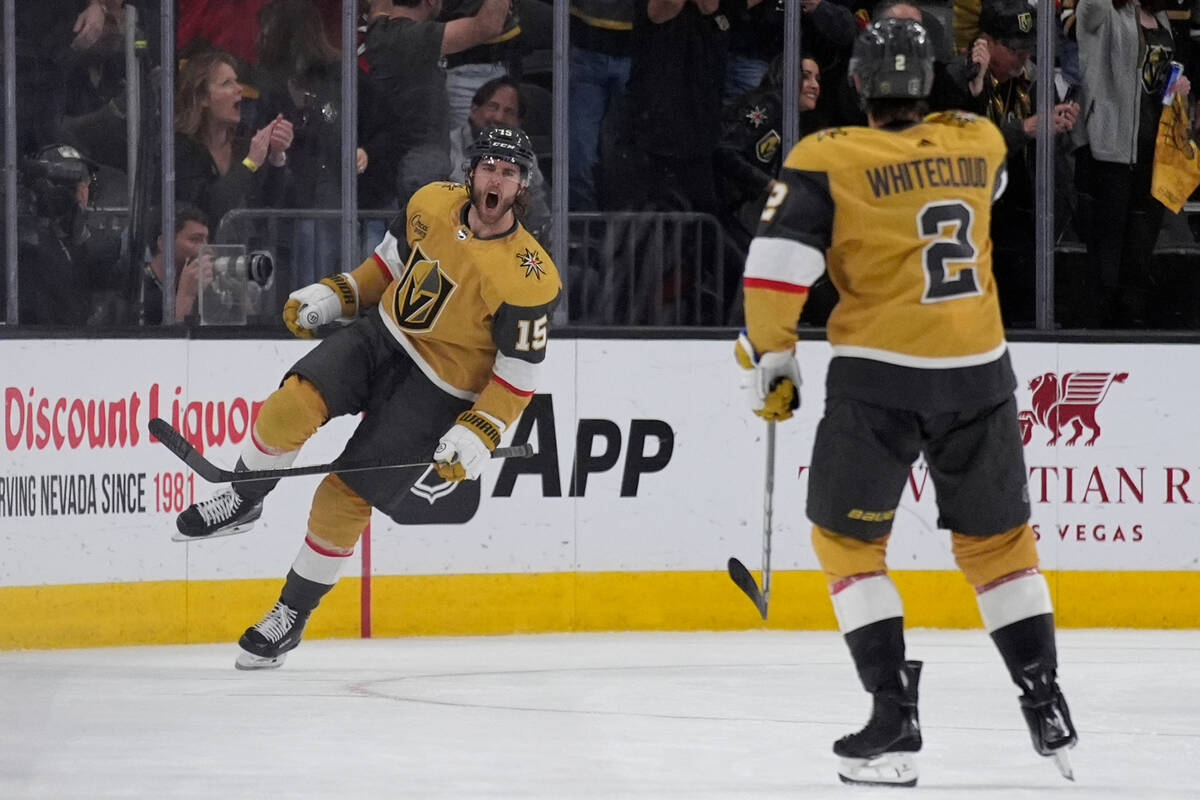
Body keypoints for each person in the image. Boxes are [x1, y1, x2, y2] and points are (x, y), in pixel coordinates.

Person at [734, 18, 1077, 786]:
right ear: (926, 85)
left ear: (856, 84)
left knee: (848, 545)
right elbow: (992, 181)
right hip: (977, 369)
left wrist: (774, 356)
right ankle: (1044, 698)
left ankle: (893, 712)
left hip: (879, 378)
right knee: (999, 546)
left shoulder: (826, 157)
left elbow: (775, 270)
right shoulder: (978, 140)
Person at [173, 127, 561, 670]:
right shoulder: (430, 201)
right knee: (290, 405)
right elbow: (388, 269)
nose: (497, 179)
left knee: (343, 497)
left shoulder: (531, 278)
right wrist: (338, 295)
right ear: (471, 172)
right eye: (490, 167)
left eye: (510, 172)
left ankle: (289, 615)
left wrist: (481, 429)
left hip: (440, 389)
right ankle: (244, 497)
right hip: (381, 337)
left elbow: (518, 373)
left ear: (521, 187)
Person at [1073, 0, 1191, 327]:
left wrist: (1177, 87)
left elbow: (1157, 79)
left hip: (1154, 149)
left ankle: (1133, 327)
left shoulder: (1162, 16)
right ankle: (1098, 330)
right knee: (1106, 254)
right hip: (1108, 149)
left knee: (1140, 253)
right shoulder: (1100, 11)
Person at [357, 0, 509, 240]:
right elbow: (487, 26)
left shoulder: (380, 29)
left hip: (394, 171)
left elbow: (378, 7)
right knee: (415, 262)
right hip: (415, 173)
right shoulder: (412, 37)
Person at [174, 49, 295, 233]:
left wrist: (277, 156)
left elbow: (270, 203)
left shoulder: (244, 144)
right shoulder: (180, 148)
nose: (239, 89)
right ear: (202, 98)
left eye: (236, 81)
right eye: (226, 83)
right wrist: (250, 163)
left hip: (247, 252)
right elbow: (209, 209)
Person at [14, 143, 124, 326]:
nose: (81, 190)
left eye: (86, 180)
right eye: (63, 185)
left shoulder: (99, 245)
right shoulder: (26, 244)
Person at [448, 76, 551, 239]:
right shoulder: (447, 147)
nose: (498, 118)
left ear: (518, 122)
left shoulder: (526, 157)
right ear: (474, 110)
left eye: (509, 112)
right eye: (492, 107)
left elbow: (539, 215)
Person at [137, 204, 213, 325]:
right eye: (195, 240)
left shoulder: (207, 287)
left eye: (205, 240)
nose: (207, 249)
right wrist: (186, 297)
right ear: (164, 243)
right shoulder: (138, 290)